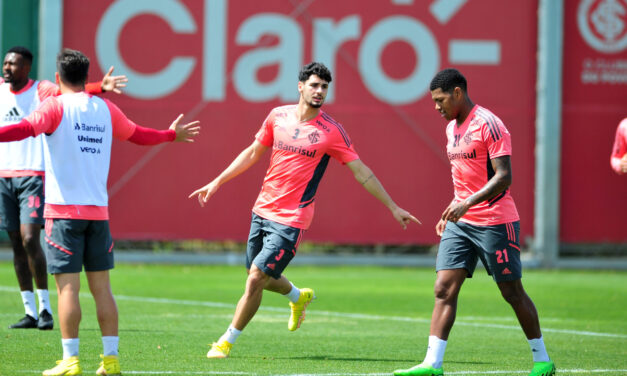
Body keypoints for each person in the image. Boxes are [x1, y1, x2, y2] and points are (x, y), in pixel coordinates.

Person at [189, 62, 419, 359]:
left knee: (256, 277)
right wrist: (218, 180)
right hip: (262, 210)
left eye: (324, 87)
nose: (319, 91)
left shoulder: (331, 131)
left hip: (292, 218)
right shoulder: (277, 116)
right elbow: (252, 152)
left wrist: (393, 206)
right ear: (300, 86)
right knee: (257, 275)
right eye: (314, 85)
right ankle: (298, 297)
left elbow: (361, 171)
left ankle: (226, 341)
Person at [0, 48, 200, 376]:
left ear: (58, 77)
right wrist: (170, 135)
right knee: (102, 290)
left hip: (63, 214)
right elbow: (139, 135)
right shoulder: (106, 109)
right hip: (98, 215)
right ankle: (110, 360)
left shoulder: (54, 107)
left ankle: (71, 360)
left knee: (68, 289)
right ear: (85, 76)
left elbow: (23, 129)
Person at [392, 68, 555, 376]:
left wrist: (466, 203)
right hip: (461, 222)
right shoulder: (451, 128)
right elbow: (464, 182)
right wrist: (454, 207)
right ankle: (432, 364)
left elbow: (504, 177)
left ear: (457, 93)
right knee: (443, 288)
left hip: (495, 221)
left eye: (440, 100)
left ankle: (542, 359)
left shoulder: (489, 125)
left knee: (511, 292)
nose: (436, 107)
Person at [1, 46, 128, 331]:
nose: (7, 67)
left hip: (32, 176)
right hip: (4, 177)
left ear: (27, 68)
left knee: (30, 239)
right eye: (5, 62)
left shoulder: (44, 91)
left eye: (13, 64)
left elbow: (72, 91)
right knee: (17, 245)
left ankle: (46, 310)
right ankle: (30, 311)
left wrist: (99, 87)